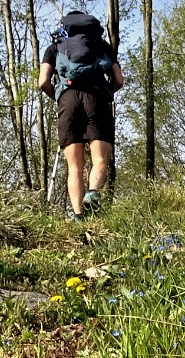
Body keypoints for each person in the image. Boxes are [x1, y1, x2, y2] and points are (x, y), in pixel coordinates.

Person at [38, 12, 125, 222]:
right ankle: (93, 193)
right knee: (101, 159)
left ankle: (78, 218)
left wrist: (58, 97)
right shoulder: (102, 47)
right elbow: (119, 81)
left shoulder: (55, 47)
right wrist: (106, 93)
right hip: (97, 98)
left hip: (68, 100)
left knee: (75, 166)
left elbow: (43, 82)